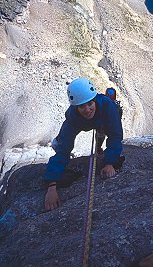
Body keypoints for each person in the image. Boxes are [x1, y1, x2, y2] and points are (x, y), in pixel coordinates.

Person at [44, 77, 123, 211]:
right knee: (60, 143)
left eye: (90, 103)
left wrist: (110, 163)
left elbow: (115, 136)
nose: (87, 109)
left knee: (103, 132)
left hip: (103, 118)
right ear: (75, 107)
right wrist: (52, 185)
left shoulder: (108, 107)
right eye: (82, 106)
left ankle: (99, 147)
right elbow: (63, 150)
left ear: (95, 100)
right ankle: (99, 144)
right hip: (89, 122)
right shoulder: (72, 117)